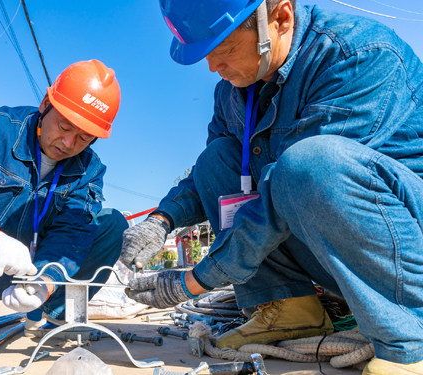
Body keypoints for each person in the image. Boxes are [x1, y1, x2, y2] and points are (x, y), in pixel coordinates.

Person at [121, 1, 423, 374]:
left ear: (280, 18)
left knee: (309, 163)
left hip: (405, 248)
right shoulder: (232, 94)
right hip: (333, 253)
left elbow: (288, 189)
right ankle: (290, 307)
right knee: (217, 159)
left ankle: (408, 339)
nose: (213, 66)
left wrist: (195, 281)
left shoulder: (357, 55)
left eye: (224, 49)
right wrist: (161, 220)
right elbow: (210, 178)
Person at [0, 59, 128, 359]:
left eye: (84, 137)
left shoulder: (89, 171)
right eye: (65, 125)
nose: (68, 143)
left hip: (31, 274)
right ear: (45, 104)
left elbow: (72, 234)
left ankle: (51, 313)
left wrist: (45, 283)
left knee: (111, 224)